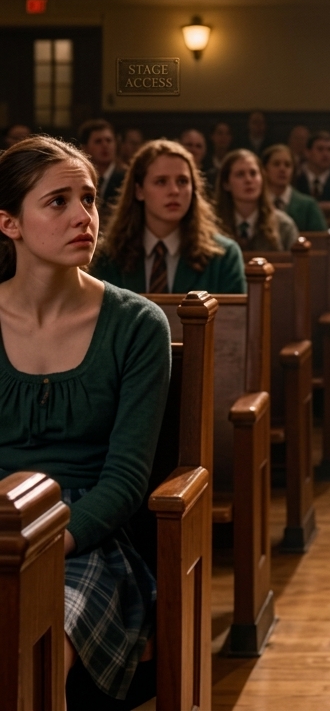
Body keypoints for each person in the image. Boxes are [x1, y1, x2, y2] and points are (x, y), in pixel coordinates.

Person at [0, 136, 171, 702]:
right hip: (0, 524)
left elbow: (124, 481)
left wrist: (47, 542)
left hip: (86, 540)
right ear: (9, 224)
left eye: (90, 199)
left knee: (31, 640)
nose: (83, 216)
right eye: (58, 202)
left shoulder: (137, 325)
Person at [91, 139, 246, 293]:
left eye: (182, 181)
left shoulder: (223, 257)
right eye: (161, 182)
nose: (174, 191)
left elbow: (235, 317)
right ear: (139, 190)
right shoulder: (107, 256)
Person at [215, 149, 298, 252]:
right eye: (240, 174)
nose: (248, 180)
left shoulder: (284, 226)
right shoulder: (213, 225)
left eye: (253, 173)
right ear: (226, 184)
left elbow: (297, 265)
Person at [262, 143, 327, 232]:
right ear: (265, 169)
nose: (282, 169)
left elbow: (321, 239)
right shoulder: (256, 203)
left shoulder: (308, 205)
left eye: (287, 165)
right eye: (276, 164)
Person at [79, 119, 125, 212]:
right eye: (98, 141)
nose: (105, 145)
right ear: (85, 148)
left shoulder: (126, 177)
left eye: (109, 140)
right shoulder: (80, 178)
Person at [180, 128, 213, 194]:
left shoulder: (212, 179)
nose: (193, 150)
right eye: (189, 145)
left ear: (205, 151)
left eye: (198, 146)